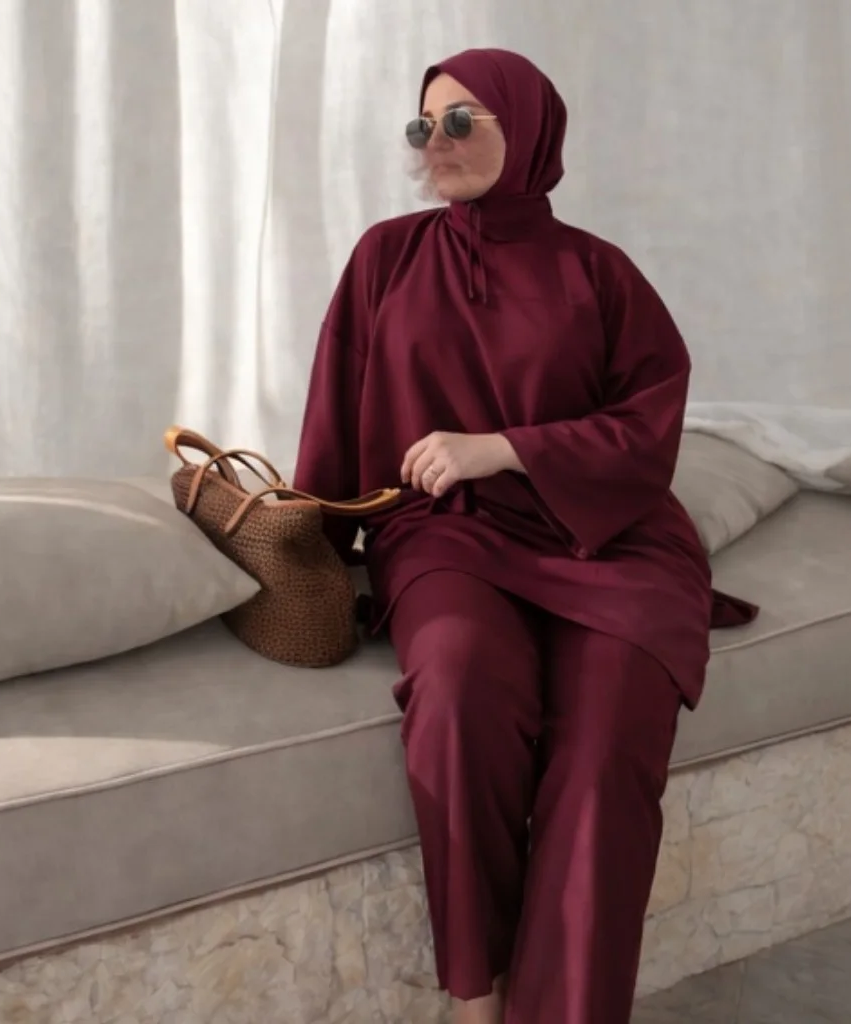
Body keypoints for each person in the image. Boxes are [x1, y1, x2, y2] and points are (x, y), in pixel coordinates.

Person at [294, 47, 755, 1024]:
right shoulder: (385, 258)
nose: (438, 142)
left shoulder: (598, 271)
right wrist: (310, 561)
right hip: (443, 535)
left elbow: (647, 430)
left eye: (463, 120)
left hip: (608, 539)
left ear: (530, 128)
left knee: (611, 736)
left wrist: (503, 448)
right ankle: (478, 994)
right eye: (424, 126)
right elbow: (333, 415)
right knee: (459, 689)